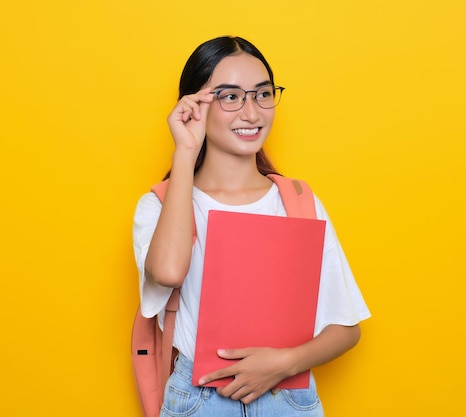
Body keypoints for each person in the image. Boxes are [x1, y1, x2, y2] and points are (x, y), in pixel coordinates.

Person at [132, 36, 370, 416]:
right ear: (193, 106)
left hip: (289, 399)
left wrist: (284, 364)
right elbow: (168, 272)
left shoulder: (298, 201)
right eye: (230, 97)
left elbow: (347, 328)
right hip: (200, 399)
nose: (252, 113)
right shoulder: (158, 206)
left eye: (262, 94)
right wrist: (184, 153)